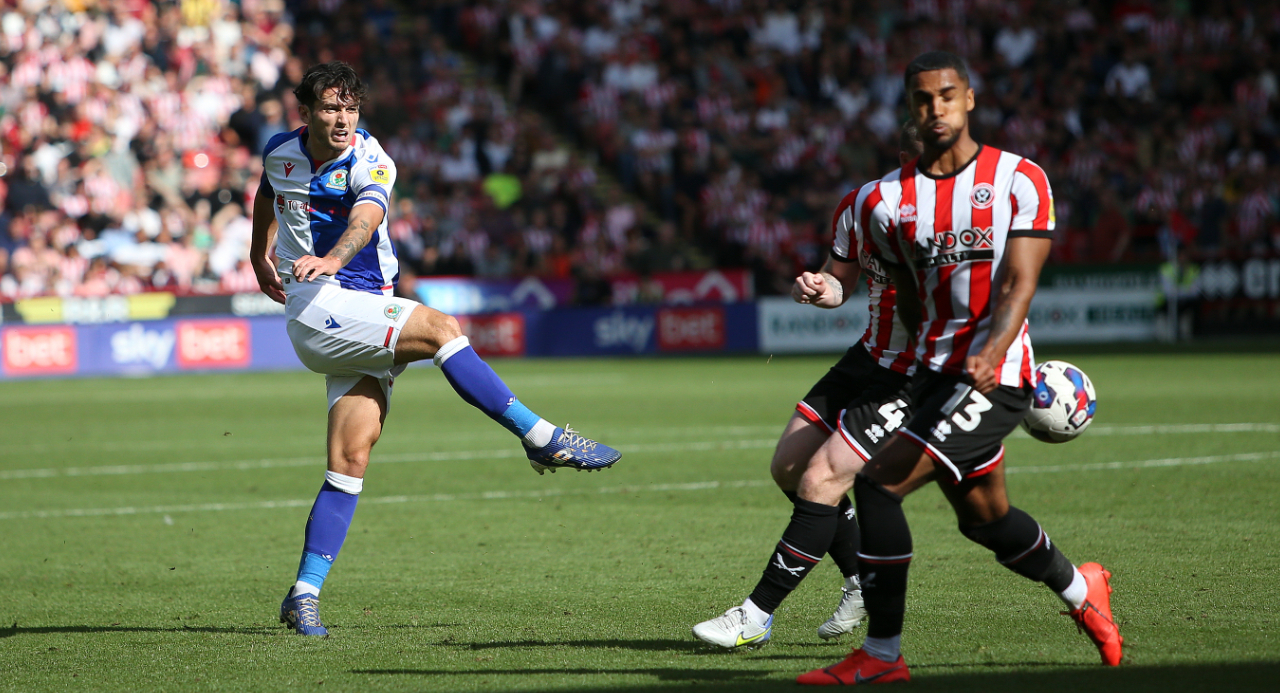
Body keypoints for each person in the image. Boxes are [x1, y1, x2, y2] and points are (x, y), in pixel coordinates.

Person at [250, 62, 622, 637]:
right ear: (305, 112)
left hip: (355, 309)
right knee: (445, 328)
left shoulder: (371, 159)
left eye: (351, 108)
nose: (343, 118)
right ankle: (542, 437)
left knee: (350, 461)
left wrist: (334, 256)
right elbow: (268, 191)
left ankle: (302, 594)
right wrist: (260, 255)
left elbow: (366, 214)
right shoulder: (281, 151)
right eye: (329, 108)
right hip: (320, 305)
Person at [796, 52, 1122, 685]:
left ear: (969, 99)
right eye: (923, 99)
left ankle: (883, 657)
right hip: (934, 376)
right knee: (985, 520)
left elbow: (1020, 285)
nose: (935, 108)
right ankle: (1084, 589)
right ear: (910, 108)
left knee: (879, 484)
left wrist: (993, 349)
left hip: (997, 373)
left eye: (947, 95)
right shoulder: (890, 202)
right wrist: (921, 363)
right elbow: (910, 296)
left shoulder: (1020, 179)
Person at [690, 122, 923, 648]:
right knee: (789, 467)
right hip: (869, 355)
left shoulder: (957, 218)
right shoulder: (864, 205)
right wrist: (821, 287)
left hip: (915, 372)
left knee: (821, 481)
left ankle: (755, 615)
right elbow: (840, 278)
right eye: (916, 150)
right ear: (904, 152)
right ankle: (862, 580)